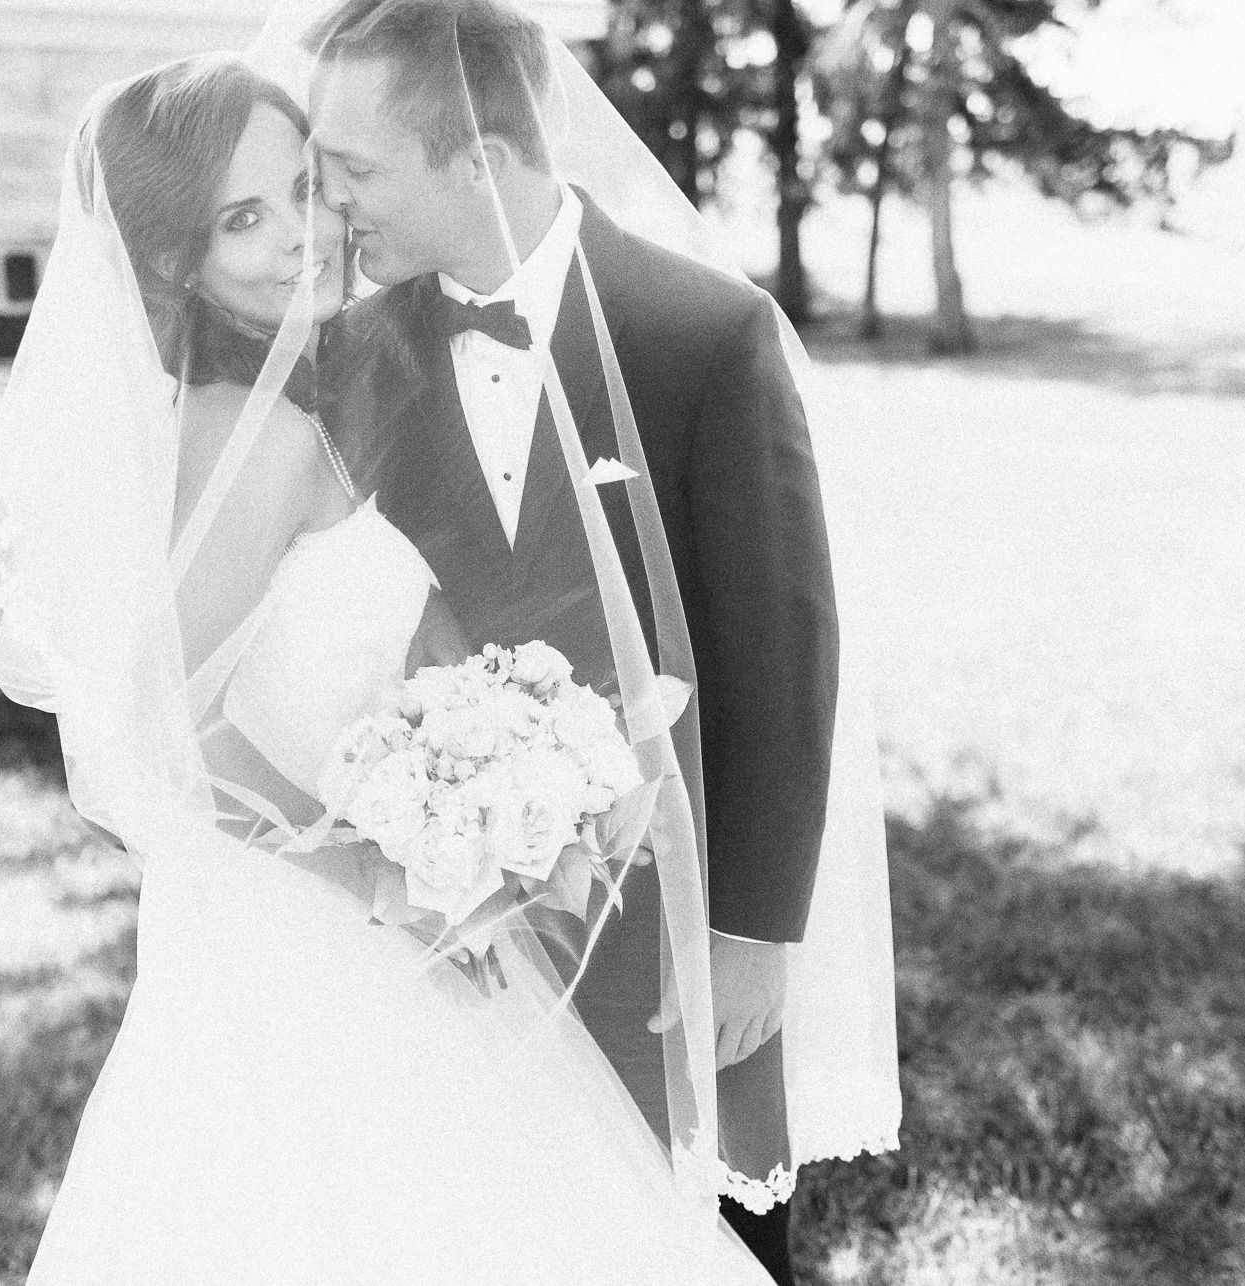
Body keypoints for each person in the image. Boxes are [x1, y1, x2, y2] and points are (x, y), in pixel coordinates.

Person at [0, 49, 808, 1284]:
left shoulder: (310, 387)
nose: (303, 233)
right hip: (317, 936)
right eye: (240, 218)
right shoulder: (250, 439)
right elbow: (172, 724)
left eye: (307, 185)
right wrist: (383, 867)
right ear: (169, 260)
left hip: (361, 905)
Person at [301, 0, 899, 1278]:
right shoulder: (348, 360)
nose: (329, 198)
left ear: (481, 157)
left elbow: (784, 654)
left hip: (672, 920)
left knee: (696, 1236)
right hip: (444, 914)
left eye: (355, 167)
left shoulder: (703, 335)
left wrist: (750, 929)